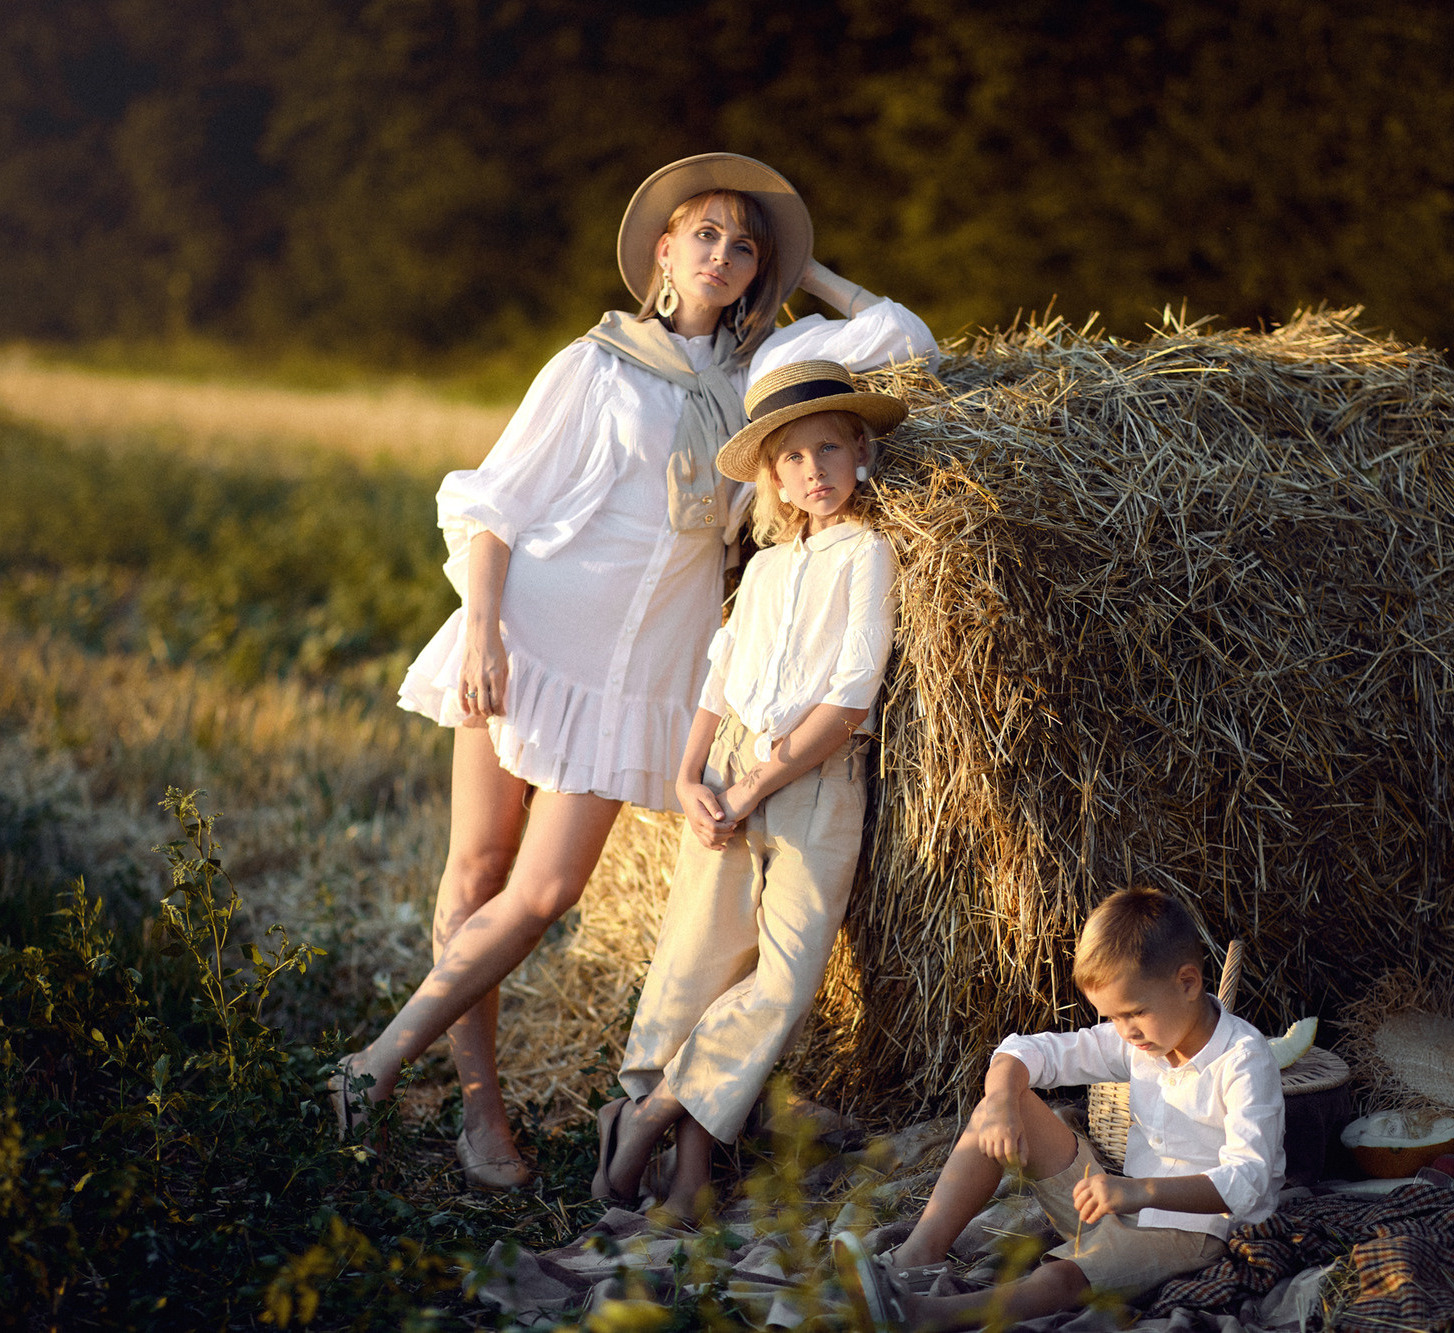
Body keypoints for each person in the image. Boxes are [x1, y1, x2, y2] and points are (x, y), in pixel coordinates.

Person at [334, 154, 937, 1191]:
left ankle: (371, 1062)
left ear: (758, 273)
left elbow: (906, 339)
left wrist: (808, 270)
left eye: (744, 245)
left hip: (639, 669)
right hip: (532, 632)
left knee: (545, 890)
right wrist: (480, 626)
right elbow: (493, 499)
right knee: (477, 876)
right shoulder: (594, 364)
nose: (721, 254)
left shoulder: (759, 372)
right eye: (703, 234)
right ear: (660, 250)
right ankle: (479, 1114)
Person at [593, 360, 905, 1221]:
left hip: (811, 776)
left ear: (861, 452)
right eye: (793, 457)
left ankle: (650, 1110)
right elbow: (720, 676)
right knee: (703, 959)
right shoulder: (765, 567)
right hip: (730, 767)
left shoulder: (868, 553)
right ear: (771, 476)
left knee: (785, 974)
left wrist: (761, 779)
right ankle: (690, 1173)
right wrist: (691, 776)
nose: (814, 470)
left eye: (829, 449)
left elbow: (852, 693)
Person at [833, 888, 1285, 1331]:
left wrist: (1142, 1191)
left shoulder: (1243, 1058)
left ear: (1188, 982)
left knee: (1060, 1276)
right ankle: (913, 1262)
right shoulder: (1141, 1039)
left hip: (1197, 1234)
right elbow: (1030, 1052)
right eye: (1111, 1018)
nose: (1124, 1031)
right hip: (1116, 1205)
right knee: (1006, 1100)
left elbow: (1250, 1180)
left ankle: (918, 1318)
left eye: (1134, 1013)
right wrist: (1004, 1104)